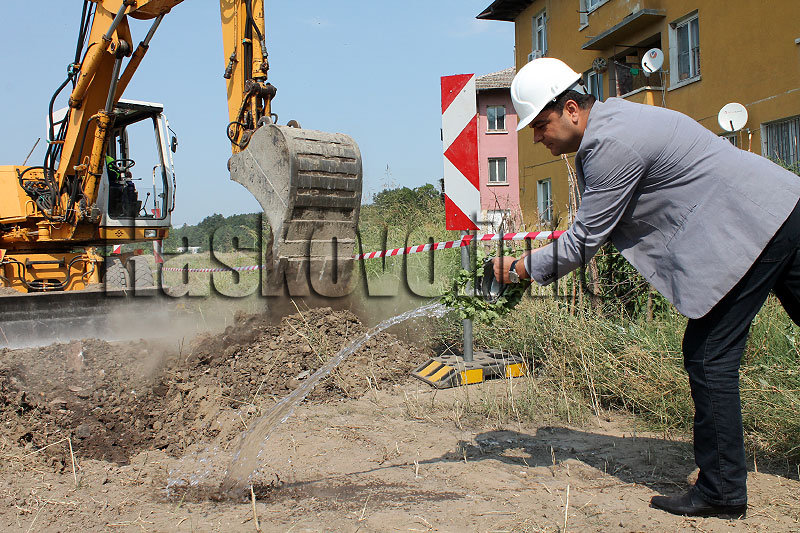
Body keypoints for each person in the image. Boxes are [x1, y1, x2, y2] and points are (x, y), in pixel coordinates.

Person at [493, 57, 800, 518]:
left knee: (708, 355)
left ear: (572, 109)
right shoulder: (620, 118)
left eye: (540, 124)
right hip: (781, 207)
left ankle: (721, 492)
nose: (537, 136)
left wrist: (519, 268)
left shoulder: (609, 144)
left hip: (756, 226)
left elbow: (581, 243)